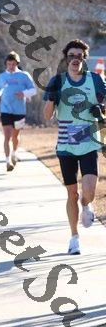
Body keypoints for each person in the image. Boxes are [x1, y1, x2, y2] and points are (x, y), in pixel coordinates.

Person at [43, 39, 106, 255]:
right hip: (66, 146)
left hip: (88, 142)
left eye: (79, 56)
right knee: (71, 194)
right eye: (71, 56)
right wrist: (51, 98)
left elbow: (104, 106)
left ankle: (86, 205)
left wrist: (101, 111)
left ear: (84, 59)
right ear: (66, 58)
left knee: (89, 191)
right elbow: (47, 116)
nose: (75, 59)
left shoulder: (95, 79)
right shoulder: (57, 81)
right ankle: (74, 238)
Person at [0, 51, 36, 171]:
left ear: (17, 64)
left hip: (19, 110)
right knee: (7, 136)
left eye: (13, 64)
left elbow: (33, 90)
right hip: (5, 109)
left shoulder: (24, 75)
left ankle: (14, 153)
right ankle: (8, 162)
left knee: (15, 136)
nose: (11, 66)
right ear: (6, 64)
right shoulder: (2, 76)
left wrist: (24, 93)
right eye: (9, 64)